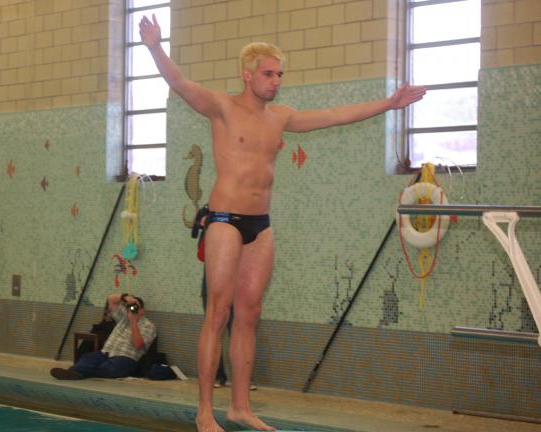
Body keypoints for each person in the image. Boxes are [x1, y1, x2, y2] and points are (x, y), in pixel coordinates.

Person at [139, 14, 426, 432]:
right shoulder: (222, 108)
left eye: (280, 74)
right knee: (217, 312)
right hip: (224, 220)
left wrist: (388, 103)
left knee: (249, 313)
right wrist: (153, 46)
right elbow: (181, 85)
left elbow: (335, 115)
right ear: (248, 74)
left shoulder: (281, 117)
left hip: (261, 225)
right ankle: (204, 410)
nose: (276, 81)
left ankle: (239, 406)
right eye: (269, 74)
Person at [50, 293, 156, 380]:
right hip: (106, 354)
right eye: (131, 307)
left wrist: (133, 320)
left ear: (143, 310)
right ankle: (76, 372)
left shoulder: (148, 326)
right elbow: (111, 299)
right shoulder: (123, 317)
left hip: (126, 359)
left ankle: (78, 372)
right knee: (87, 358)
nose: (133, 309)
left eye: (136, 307)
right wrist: (125, 298)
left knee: (112, 367)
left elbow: (138, 344)